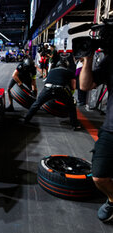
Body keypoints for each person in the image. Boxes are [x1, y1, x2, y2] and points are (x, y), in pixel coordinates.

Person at [79, 30, 113, 222]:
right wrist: (87, 59)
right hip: (110, 129)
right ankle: (112, 199)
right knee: (99, 176)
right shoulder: (110, 61)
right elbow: (85, 85)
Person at [24, 60, 81, 130]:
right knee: (71, 106)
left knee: (36, 104)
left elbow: (48, 81)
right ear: (66, 66)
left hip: (47, 88)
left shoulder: (51, 70)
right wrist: (69, 94)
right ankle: (75, 125)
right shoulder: (69, 72)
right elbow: (73, 87)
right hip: (60, 90)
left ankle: (26, 120)